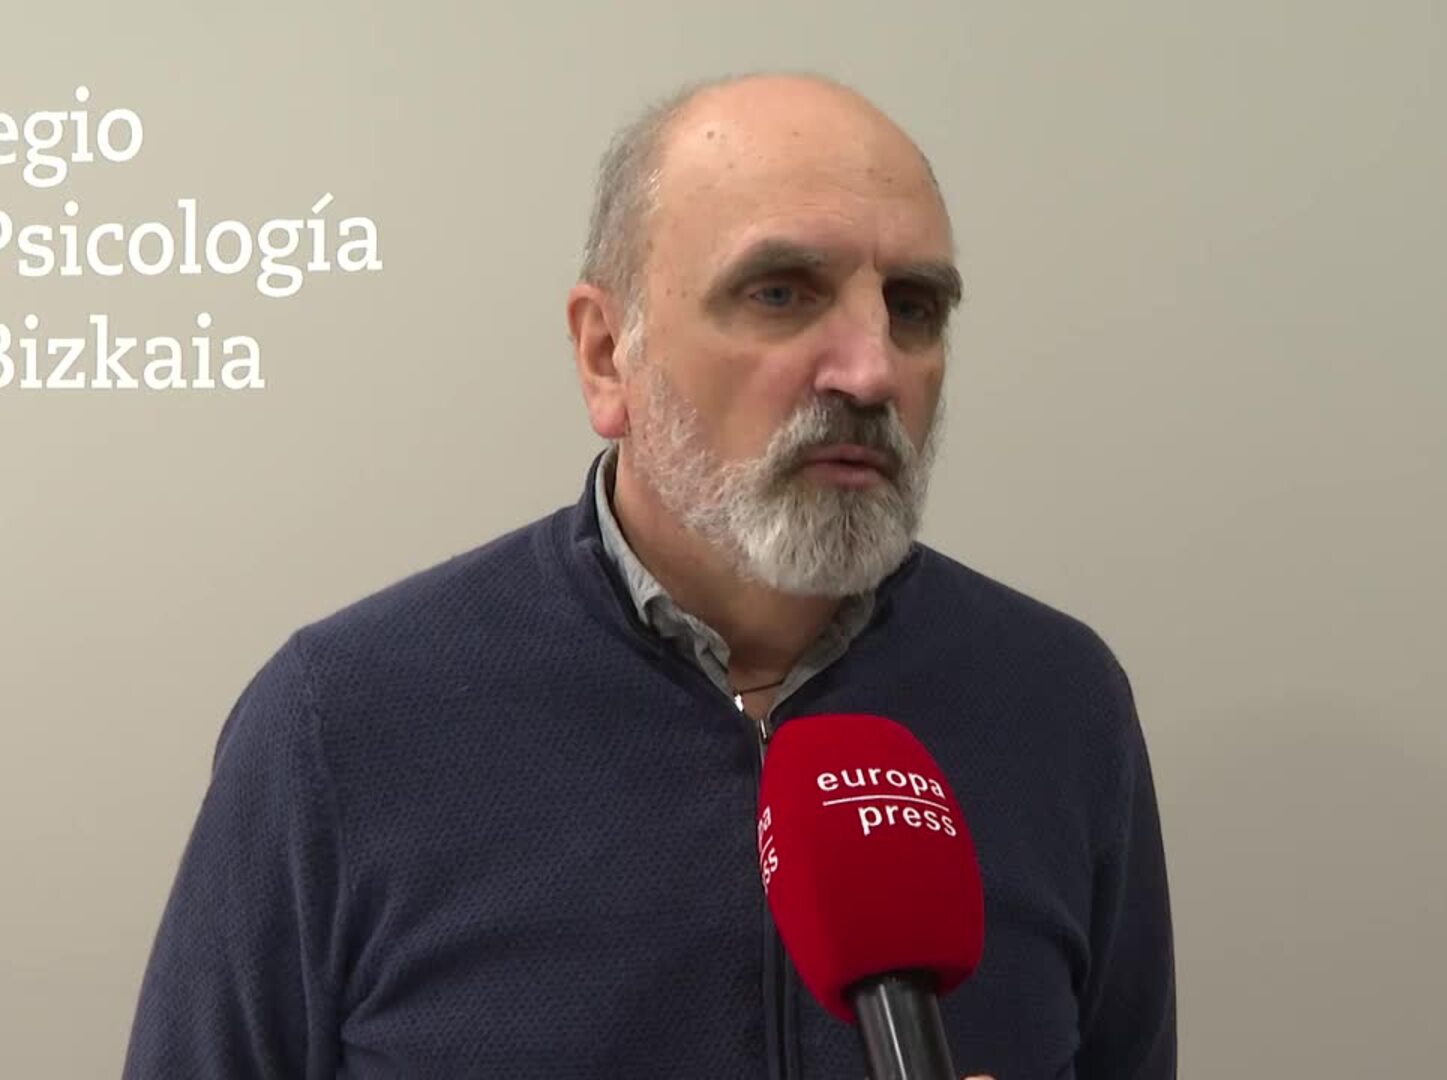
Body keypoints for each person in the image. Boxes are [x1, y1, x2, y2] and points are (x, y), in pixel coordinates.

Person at [122, 72, 1176, 1079]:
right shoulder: (345, 721)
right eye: (780, 293)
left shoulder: (1058, 701)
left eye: (913, 307)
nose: (871, 370)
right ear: (605, 353)